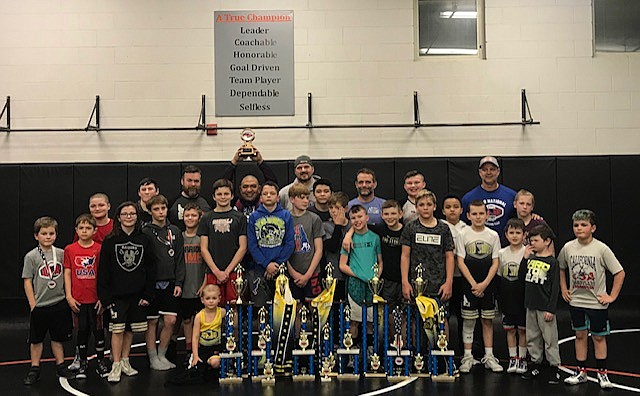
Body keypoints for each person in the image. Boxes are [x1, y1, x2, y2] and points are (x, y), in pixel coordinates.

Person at [559, 209, 625, 389]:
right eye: (576, 225)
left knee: (598, 337)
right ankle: (581, 372)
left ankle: (602, 374)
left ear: (593, 228)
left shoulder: (601, 248)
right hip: (576, 302)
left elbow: (619, 272)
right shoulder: (568, 247)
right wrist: (564, 288)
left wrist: (612, 296)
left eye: (583, 225)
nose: (579, 228)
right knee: (579, 336)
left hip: (596, 303)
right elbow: (561, 268)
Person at [98, 202, 155, 383]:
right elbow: (103, 271)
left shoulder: (145, 239)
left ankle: (125, 361)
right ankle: (115, 364)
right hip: (116, 296)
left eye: (132, 213)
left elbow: (151, 269)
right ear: (119, 217)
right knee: (117, 330)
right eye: (125, 214)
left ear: (137, 216)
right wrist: (105, 297)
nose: (129, 217)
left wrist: (147, 295)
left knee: (130, 330)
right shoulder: (110, 240)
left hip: (137, 295)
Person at [22, 216, 76, 385]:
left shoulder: (61, 253)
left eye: (51, 233)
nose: (48, 236)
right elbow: (27, 281)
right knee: (36, 339)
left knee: (58, 338)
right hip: (40, 305)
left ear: (56, 235)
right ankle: (34, 368)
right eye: (44, 233)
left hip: (59, 303)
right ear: (36, 236)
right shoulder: (31, 256)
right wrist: (33, 304)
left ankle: (60, 366)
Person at [400, 190, 455, 344]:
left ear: (435, 207)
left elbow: (449, 256)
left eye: (429, 204)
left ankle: (444, 360)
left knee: (441, 321)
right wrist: (405, 281)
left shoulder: (443, 229)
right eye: (421, 205)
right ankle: (412, 359)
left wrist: (449, 282)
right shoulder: (410, 228)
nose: (425, 208)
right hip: (415, 286)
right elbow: (405, 256)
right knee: (411, 321)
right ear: (416, 207)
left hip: (438, 285)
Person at [456, 200, 503, 373]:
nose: (478, 217)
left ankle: (489, 356)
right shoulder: (463, 234)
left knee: (487, 321)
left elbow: (495, 262)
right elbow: (460, 261)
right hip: (469, 285)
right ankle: (468, 357)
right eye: (474, 214)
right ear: (468, 216)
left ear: (487, 215)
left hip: (487, 285)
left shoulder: (493, 236)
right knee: (469, 321)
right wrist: (474, 284)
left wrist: (484, 284)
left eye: (481, 213)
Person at [143, 194, 185, 371]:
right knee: (152, 322)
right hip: (152, 284)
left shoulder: (174, 231)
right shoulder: (145, 232)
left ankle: (162, 354)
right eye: (156, 209)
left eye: (163, 208)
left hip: (170, 283)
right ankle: (153, 358)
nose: (160, 212)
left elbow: (180, 258)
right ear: (150, 211)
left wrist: (179, 283)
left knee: (170, 320)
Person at [64, 214, 109, 379]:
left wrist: (102, 298)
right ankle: (83, 363)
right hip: (78, 300)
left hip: (95, 299)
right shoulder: (70, 249)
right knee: (81, 332)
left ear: (94, 230)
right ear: (76, 230)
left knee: (98, 332)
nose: (84, 231)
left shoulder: (99, 248)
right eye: (81, 228)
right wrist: (69, 296)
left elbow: (104, 275)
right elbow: (67, 273)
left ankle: (100, 362)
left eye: (88, 228)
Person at [520, 224, 561, 384]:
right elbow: (521, 276)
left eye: (536, 240)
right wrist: (524, 258)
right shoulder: (530, 258)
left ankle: (554, 368)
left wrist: (551, 308)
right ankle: (535, 363)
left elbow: (555, 287)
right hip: (531, 305)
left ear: (547, 241)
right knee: (532, 337)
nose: (532, 243)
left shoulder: (552, 262)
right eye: (530, 240)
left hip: (545, 307)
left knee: (550, 338)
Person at [198, 179, 247, 305]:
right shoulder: (206, 218)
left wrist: (227, 272)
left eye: (226, 194)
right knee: (212, 308)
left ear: (231, 195)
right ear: (214, 197)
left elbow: (243, 247)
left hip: (234, 272)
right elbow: (203, 248)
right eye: (219, 194)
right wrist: (217, 272)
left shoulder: (240, 217)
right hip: (213, 272)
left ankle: (233, 326)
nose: (223, 197)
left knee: (234, 307)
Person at [339, 205, 383, 344]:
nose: (357, 220)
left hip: (371, 286)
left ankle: (370, 354)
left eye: (360, 217)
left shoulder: (375, 238)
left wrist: (376, 278)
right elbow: (342, 265)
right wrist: (358, 275)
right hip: (355, 285)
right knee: (354, 321)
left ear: (367, 217)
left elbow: (380, 261)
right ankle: (353, 354)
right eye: (353, 218)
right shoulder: (348, 240)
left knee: (370, 321)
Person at [247, 181, 295, 306]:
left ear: (278, 197)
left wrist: (277, 264)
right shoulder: (254, 217)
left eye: (272, 193)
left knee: (282, 307)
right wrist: (266, 264)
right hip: (260, 269)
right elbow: (252, 245)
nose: (269, 196)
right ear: (261, 198)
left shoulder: (286, 216)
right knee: (261, 307)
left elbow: (290, 243)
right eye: (265, 193)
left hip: (281, 269)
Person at [461, 156, 516, 246]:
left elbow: (522, 218)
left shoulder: (511, 196)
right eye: (485, 169)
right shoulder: (468, 198)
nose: (489, 172)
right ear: (479, 172)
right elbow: (463, 225)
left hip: (506, 248)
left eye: (492, 169)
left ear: (498, 171)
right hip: (477, 248)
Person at [497, 218, 527, 375]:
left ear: (524, 235)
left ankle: (522, 359)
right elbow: (499, 275)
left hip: (522, 298)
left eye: (518, 233)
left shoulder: (528, 252)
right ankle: (513, 358)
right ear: (506, 235)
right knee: (510, 330)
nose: (515, 236)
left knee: (522, 330)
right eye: (511, 233)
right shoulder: (502, 253)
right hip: (507, 297)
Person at [287, 183, 324, 300]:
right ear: (292, 199)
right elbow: (282, 251)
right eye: (301, 197)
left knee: (313, 305)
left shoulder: (314, 218)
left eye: (307, 198)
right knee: (294, 307)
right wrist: (293, 273)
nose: (305, 201)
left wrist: (308, 275)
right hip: (292, 272)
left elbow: (319, 250)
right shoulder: (285, 218)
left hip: (312, 271)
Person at [180, 203, 206, 367]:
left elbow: (208, 264)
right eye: (187, 216)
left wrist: (205, 284)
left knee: (202, 319)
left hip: (200, 285)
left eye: (193, 216)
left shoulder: (203, 238)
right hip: (184, 287)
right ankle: (189, 351)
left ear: (199, 217)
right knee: (187, 321)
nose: (190, 219)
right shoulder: (179, 237)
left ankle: (202, 349)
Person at [440, 194, 467, 354]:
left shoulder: (466, 228)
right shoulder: (439, 226)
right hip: (444, 278)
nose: (452, 210)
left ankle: (466, 351)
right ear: (443, 210)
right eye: (448, 207)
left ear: (462, 210)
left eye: (455, 207)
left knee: (464, 316)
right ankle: (445, 349)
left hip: (463, 279)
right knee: (445, 316)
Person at [222, 144, 278, 218]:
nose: (249, 190)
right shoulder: (233, 202)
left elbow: (272, 184)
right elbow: (223, 185)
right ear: (240, 189)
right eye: (245, 186)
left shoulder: (265, 202)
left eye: (253, 186)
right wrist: (234, 162)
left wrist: (260, 162)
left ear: (259, 189)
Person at [191, 284, 225, 383]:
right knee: (197, 373)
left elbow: (233, 321)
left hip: (216, 348)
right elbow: (195, 337)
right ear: (202, 300)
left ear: (219, 299)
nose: (211, 301)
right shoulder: (199, 316)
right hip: (203, 348)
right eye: (208, 298)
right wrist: (195, 355)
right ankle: (193, 359)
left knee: (215, 363)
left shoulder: (222, 312)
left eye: (214, 298)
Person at [325, 192, 351, 301]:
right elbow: (332, 246)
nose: (333, 211)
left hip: (351, 272)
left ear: (345, 208)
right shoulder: (325, 226)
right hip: (334, 274)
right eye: (331, 208)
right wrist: (338, 226)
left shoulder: (353, 226)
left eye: (337, 207)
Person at [169, 165, 212, 231]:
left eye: (196, 181)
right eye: (189, 180)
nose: (193, 184)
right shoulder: (171, 203)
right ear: (182, 181)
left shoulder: (207, 202)